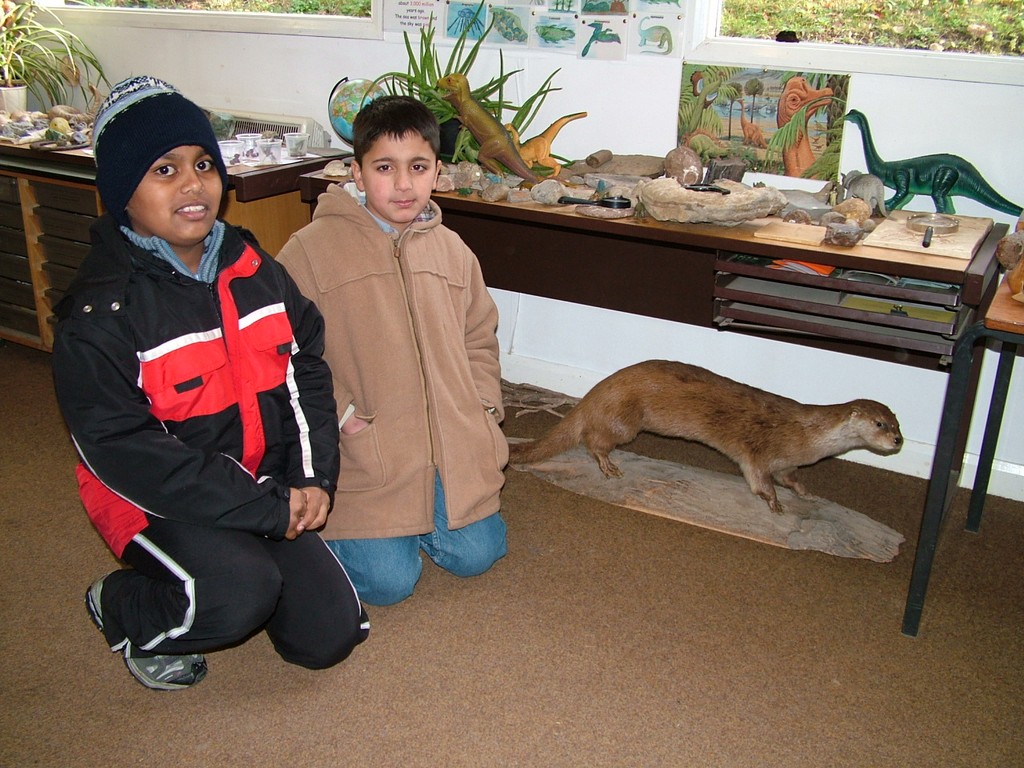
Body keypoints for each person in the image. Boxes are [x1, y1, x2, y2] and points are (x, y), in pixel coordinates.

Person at [51, 76, 368, 691]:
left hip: (257, 481)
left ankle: (236, 562)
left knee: (329, 636)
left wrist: (311, 477)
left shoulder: (254, 267)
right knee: (238, 593)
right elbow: (126, 451)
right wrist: (265, 511)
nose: (193, 184)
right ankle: (122, 605)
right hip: (151, 498)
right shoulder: (99, 313)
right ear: (122, 191)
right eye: (163, 170)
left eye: (203, 164)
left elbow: (304, 368)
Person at [276, 95, 508, 606]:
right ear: (357, 174)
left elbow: (479, 335)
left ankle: (420, 518)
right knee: (389, 584)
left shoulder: (453, 250)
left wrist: (483, 407)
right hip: (367, 451)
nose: (403, 184)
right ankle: (337, 536)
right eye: (385, 167)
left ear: (437, 173)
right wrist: (343, 415)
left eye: (418, 167)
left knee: (479, 553)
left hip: (450, 446)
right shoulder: (308, 252)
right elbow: (283, 351)